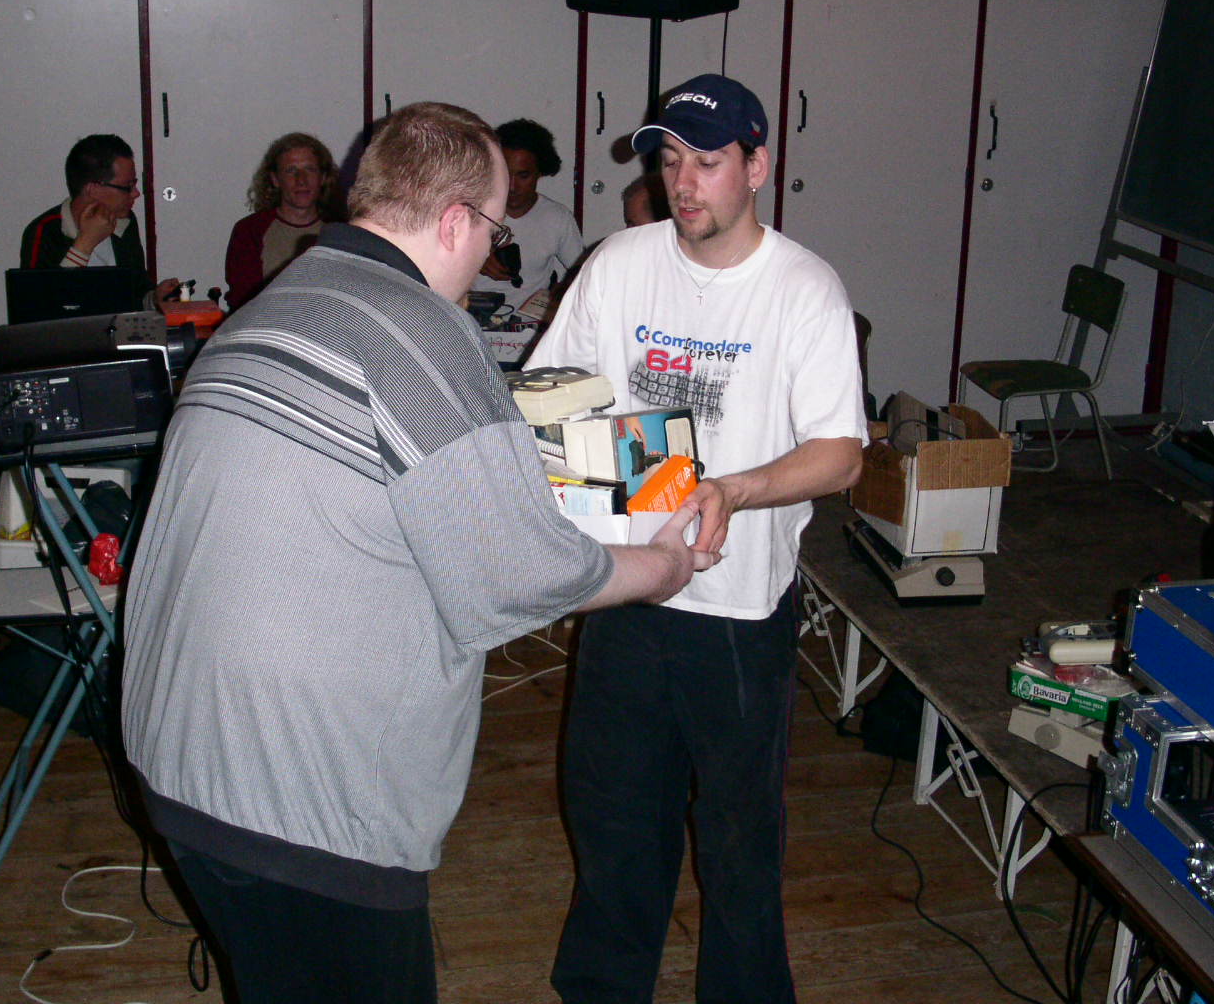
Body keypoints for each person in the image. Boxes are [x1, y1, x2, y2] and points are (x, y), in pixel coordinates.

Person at [120, 101, 717, 1004]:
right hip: (300, 807)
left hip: (178, 766)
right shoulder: (424, 330)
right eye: (495, 232)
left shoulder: (277, 303)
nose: (490, 255)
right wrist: (665, 567)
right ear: (454, 222)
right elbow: (517, 579)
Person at [531, 73, 867, 1004]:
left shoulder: (803, 288)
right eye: (670, 159)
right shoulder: (620, 262)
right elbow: (552, 400)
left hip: (737, 615)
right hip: (627, 590)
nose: (683, 182)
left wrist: (734, 488)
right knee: (611, 822)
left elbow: (841, 454)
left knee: (739, 841)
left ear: (757, 166)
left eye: (708, 161)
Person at [18, 133, 178, 298]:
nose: (136, 193)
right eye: (127, 186)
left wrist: (155, 298)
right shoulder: (45, 231)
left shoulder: (125, 222)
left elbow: (136, 294)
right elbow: (39, 304)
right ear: (93, 190)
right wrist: (85, 243)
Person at [223, 132, 343, 310]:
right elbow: (244, 300)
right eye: (291, 171)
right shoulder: (250, 231)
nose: (301, 180)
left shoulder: (343, 232)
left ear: (323, 177)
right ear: (275, 180)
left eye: (309, 169)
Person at [471, 118, 584, 296]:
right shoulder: (469, 211)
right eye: (505, 174)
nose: (512, 186)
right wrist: (474, 260)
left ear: (540, 172)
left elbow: (583, 274)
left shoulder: (557, 218)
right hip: (472, 312)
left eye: (523, 176)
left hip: (533, 313)